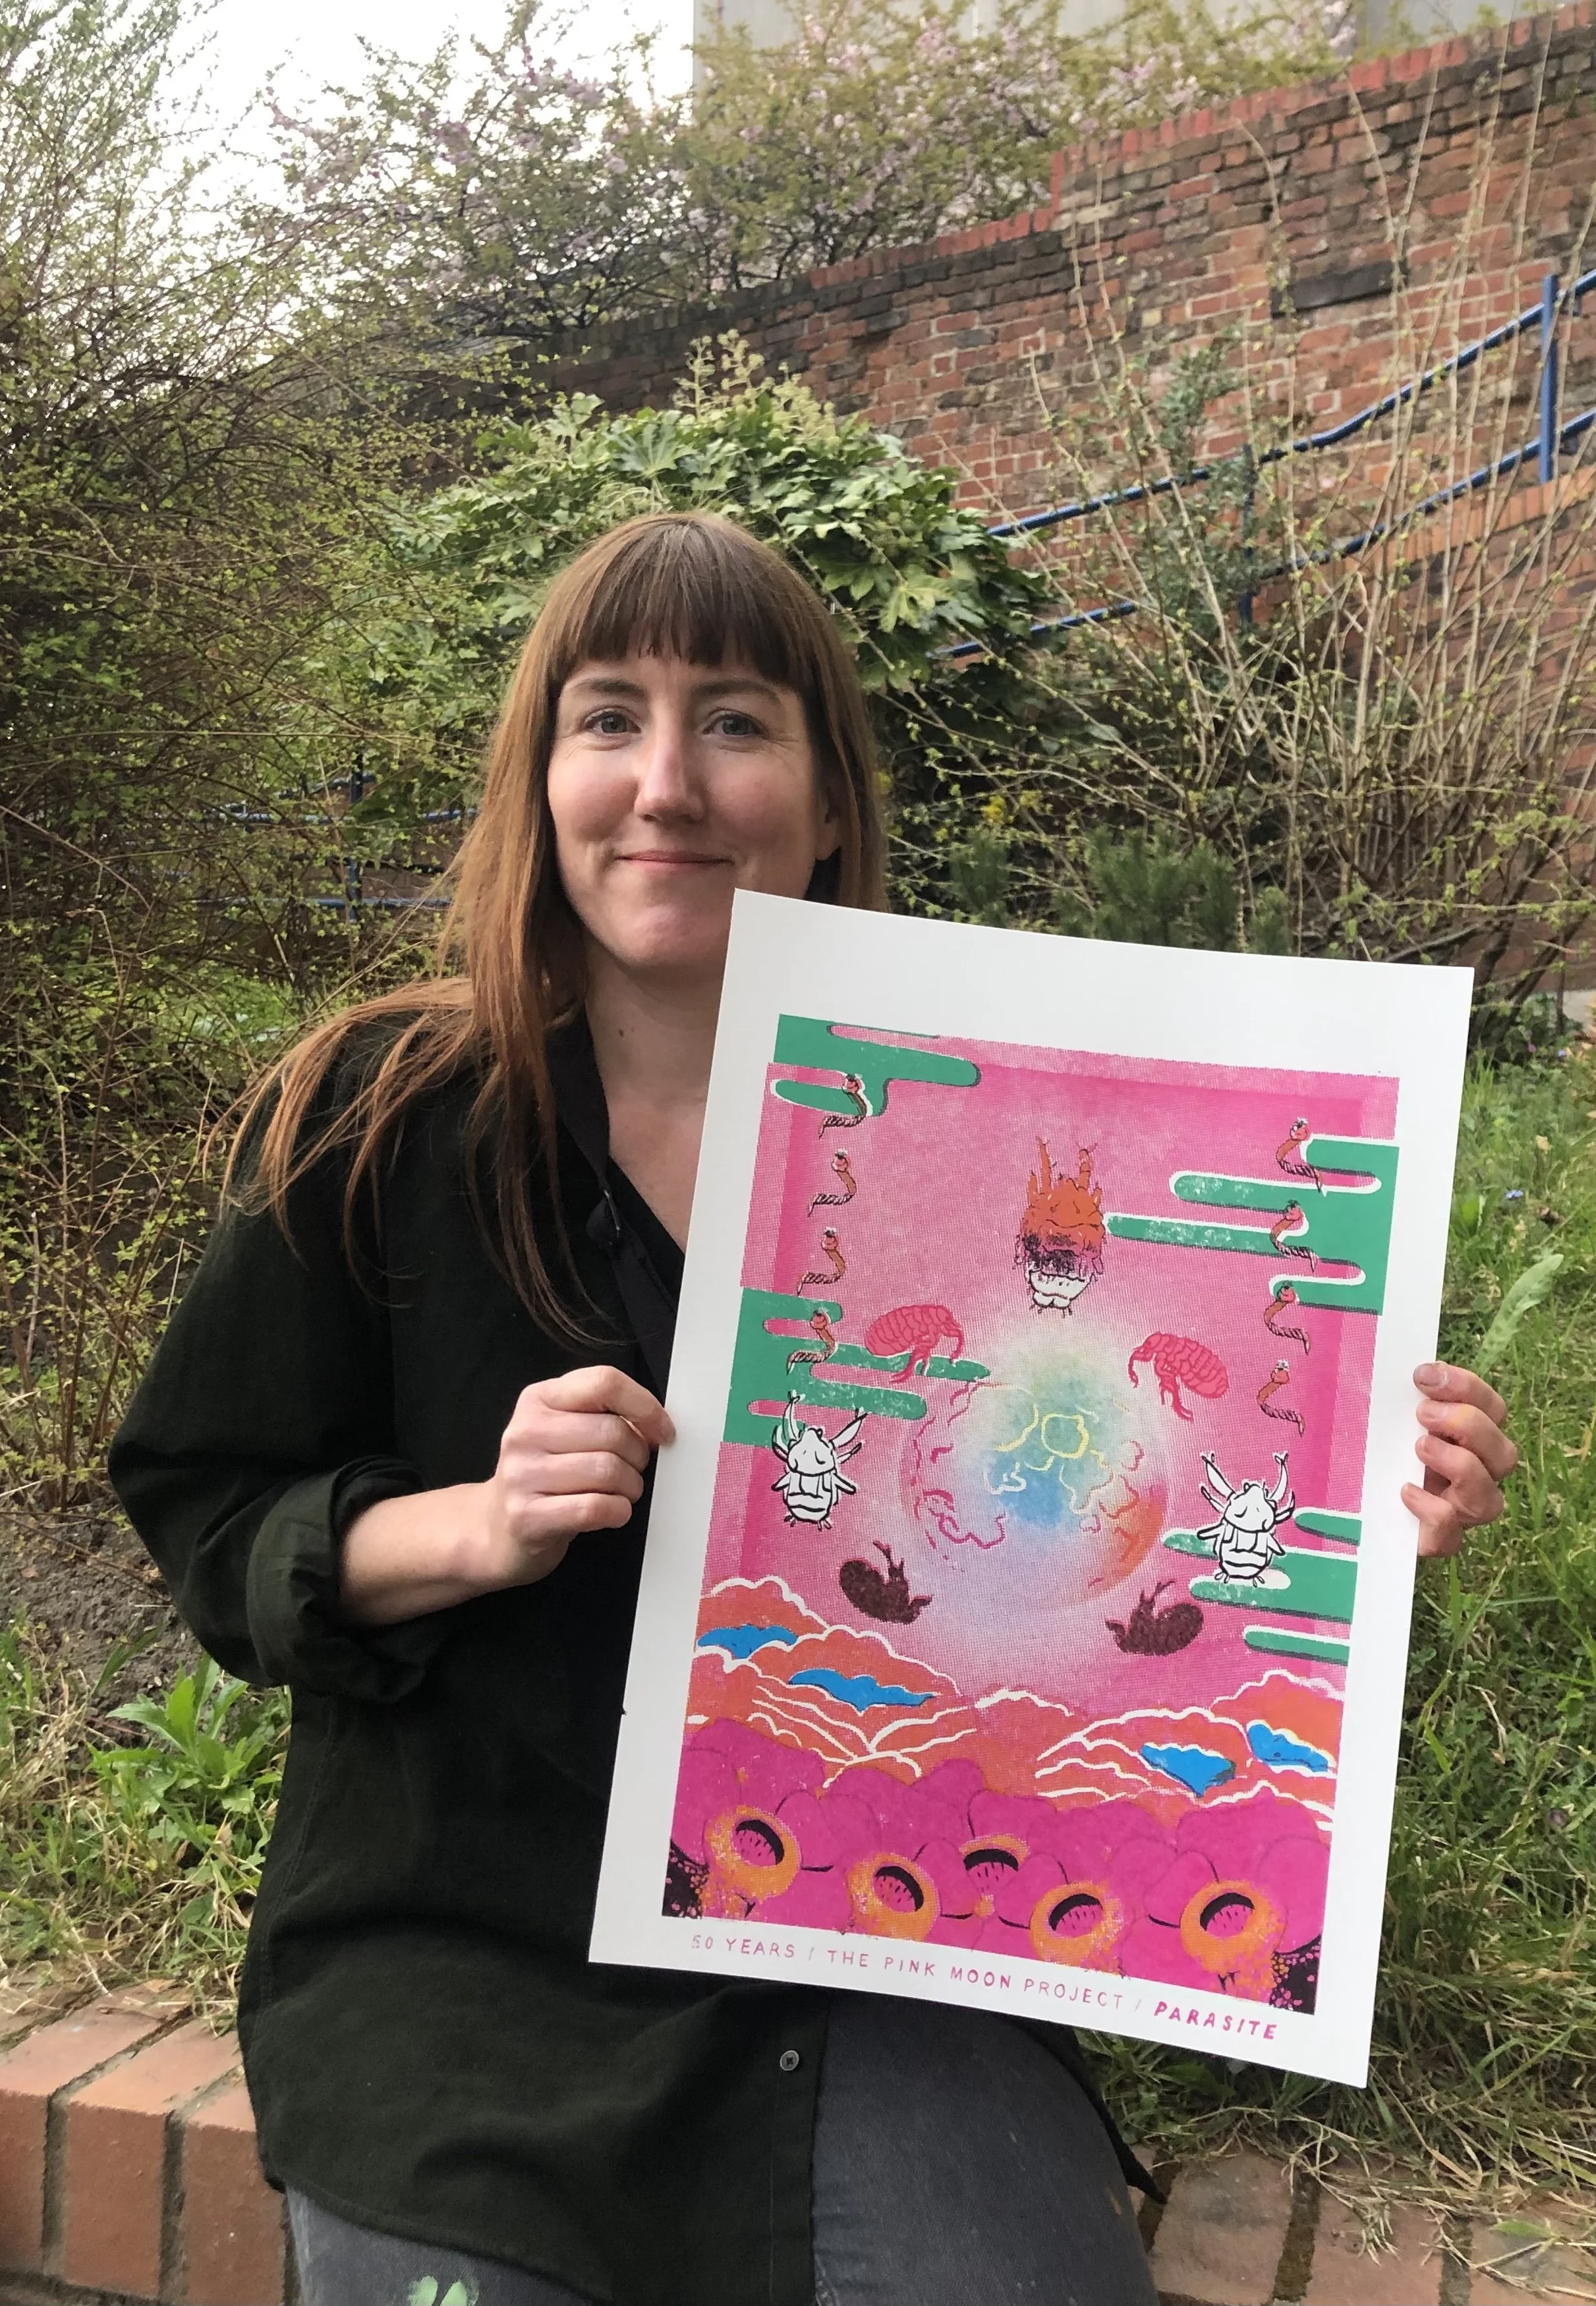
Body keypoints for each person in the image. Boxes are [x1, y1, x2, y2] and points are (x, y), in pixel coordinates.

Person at [108, 512, 1518, 2306]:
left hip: (875, 1947)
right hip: (462, 1965)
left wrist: (1355, 1504)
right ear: (538, 778)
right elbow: (211, 1514)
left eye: (738, 723)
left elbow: (1122, 1533)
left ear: (829, 797)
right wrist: (466, 1525)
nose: (667, 783)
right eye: (608, 717)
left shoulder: (986, 1131)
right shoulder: (380, 1118)